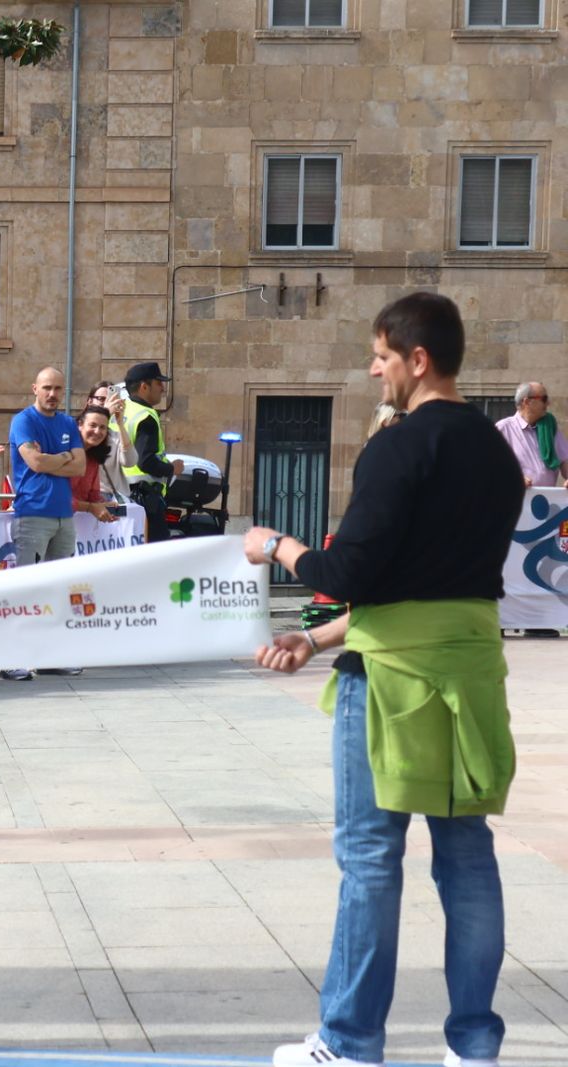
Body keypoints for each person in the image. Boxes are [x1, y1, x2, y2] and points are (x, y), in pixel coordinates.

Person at [247, 293, 521, 1067]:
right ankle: (474, 1048)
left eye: (380, 357)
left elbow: (349, 571)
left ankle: (349, 1041)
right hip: (468, 675)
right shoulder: (499, 453)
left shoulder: (398, 448)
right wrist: (318, 635)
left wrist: (276, 545)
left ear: (417, 359)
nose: (373, 371)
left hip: (394, 684)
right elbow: (431, 585)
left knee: (370, 858)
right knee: (467, 856)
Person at [1, 367, 84, 682]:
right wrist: (62, 457)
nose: (53, 394)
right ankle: (12, 658)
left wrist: (53, 459)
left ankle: (49, 657)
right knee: (25, 588)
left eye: (58, 389)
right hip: (33, 514)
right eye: (47, 387)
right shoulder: (23, 421)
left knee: (57, 590)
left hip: (64, 515)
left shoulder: (66, 422)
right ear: (35, 388)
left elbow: (80, 466)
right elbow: (33, 462)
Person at [120, 362, 183, 543]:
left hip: (118, 496)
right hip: (143, 501)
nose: (163, 388)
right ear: (144, 386)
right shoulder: (145, 416)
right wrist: (172, 469)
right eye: (158, 383)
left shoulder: (122, 410)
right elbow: (145, 461)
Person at [495, 381, 565, 488]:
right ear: (527, 402)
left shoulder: (549, 428)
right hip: (516, 500)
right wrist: (513, 478)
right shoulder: (503, 429)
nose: (548, 403)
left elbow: (565, 460)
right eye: (544, 399)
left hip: (546, 501)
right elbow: (487, 466)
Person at [71, 406, 122, 524]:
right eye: (93, 425)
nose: (97, 431)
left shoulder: (93, 459)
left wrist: (105, 506)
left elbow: (93, 496)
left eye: (103, 427)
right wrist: (91, 508)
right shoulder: (64, 452)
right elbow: (58, 498)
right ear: (80, 425)